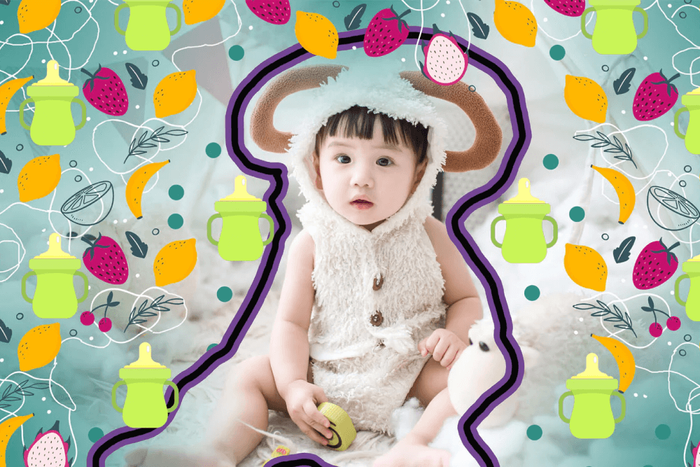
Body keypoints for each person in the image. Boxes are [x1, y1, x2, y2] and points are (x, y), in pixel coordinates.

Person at [126, 64, 502, 467]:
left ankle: (414, 444)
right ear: (317, 169)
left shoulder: (430, 233)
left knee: (474, 382)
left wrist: (454, 334)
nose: (362, 178)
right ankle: (215, 453)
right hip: (325, 376)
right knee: (249, 374)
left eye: (385, 162)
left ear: (418, 174)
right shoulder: (310, 242)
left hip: (411, 374)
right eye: (343, 158)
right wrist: (292, 388)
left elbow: (465, 298)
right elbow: (290, 324)